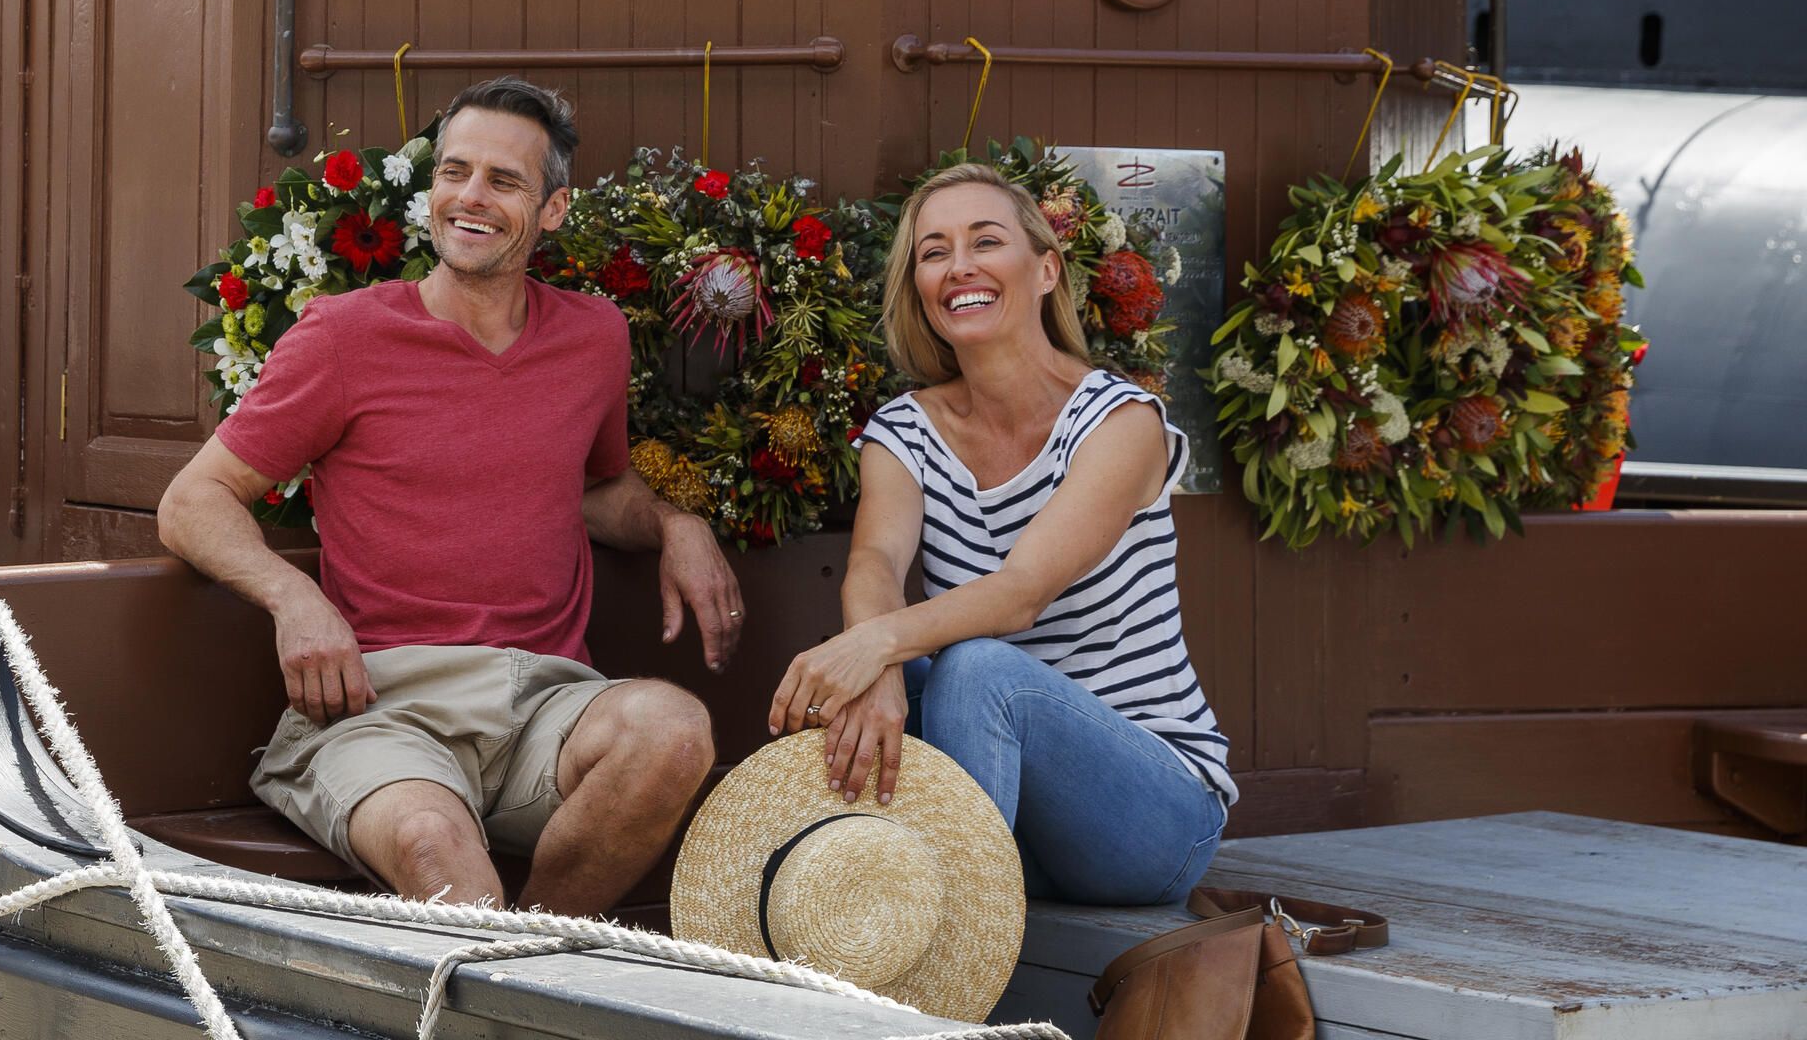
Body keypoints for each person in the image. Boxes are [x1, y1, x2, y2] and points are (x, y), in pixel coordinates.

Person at [158, 77, 742, 912]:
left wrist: (674, 522)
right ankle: (522, 991)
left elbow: (595, 488)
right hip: (381, 708)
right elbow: (194, 499)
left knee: (674, 732)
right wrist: (295, 597)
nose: (470, 197)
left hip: (545, 702)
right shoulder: (344, 335)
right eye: (454, 172)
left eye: (503, 181)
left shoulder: (592, 336)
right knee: (434, 844)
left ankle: (528, 966)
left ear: (552, 211)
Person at [766, 163, 1233, 905]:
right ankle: (837, 908)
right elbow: (875, 561)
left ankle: (945, 936)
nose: (961, 267)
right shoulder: (907, 429)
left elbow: (1020, 596)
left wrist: (876, 645)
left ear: (1045, 269)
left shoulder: (1119, 423)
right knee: (871, 689)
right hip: (1017, 815)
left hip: (1155, 816)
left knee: (977, 667)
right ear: (918, 284)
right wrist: (876, 671)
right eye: (934, 251)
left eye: (986, 241)